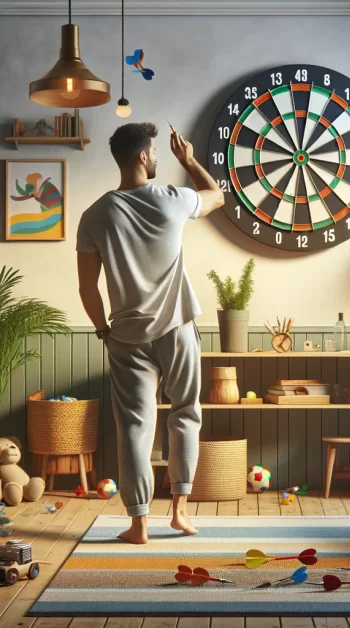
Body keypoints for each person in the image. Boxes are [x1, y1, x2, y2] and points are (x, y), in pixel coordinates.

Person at [76, 122, 224, 544]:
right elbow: (218, 197)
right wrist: (190, 160)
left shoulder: (94, 215)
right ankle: (178, 512)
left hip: (125, 336)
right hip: (177, 328)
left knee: (134, 428)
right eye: (156, 151)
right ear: (143, 157)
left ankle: (138, 524)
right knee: (185, 414)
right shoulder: (171, 199)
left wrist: (102, 328)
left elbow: (88, 287)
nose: (157, 156)